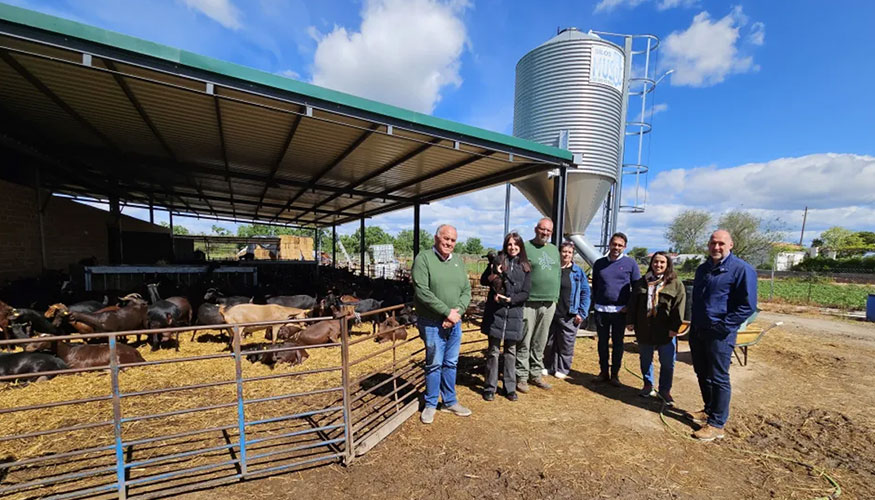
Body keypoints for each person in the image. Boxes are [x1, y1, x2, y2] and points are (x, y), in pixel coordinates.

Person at [689, 230, 757, 441]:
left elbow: (747, 306)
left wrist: (722, 326)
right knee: (702, 372)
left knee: (719, 377)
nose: (716, 247)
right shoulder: (703, 269)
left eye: (721, 243)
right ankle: (708, 410)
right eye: (712, 243)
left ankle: (717, 424)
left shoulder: (741, 270)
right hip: (699, 330)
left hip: (720, 334)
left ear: (731, 245)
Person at [412, 224, 473, 424]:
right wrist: (447, 312)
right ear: (436, 238)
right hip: (432, 322)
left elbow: (466, 290)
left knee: (451, 362)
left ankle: (449, 401)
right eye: (446, 238)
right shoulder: (424, 259)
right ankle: (430, 404)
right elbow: (422, 292)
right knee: (434, 363)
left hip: (455, 321)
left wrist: (457, 313)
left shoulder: (457, 261)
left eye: (453, 240)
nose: (449, 243)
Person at [626, 251, 685, 406]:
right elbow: (633, 304)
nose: (658, 265)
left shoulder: (675, 284)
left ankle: (665, 390)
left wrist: (675, 328)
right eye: (655, 262)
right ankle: (647, 385)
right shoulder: (641, 282)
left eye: (662, 263)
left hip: (666, 330)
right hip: (645, 327)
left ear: (667, 265)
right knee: (645, 359)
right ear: (651, 263)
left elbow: (679, 308)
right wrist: (630, 321)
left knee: (667, 362)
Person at [479, 232, 532, 401]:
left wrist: (512, 299)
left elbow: (526, 292)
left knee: (511, 351)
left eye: (516, 244)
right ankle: (490, 387)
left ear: (520, 247)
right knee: (493, 351)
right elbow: (483, 281)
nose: (512, 247)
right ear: (505, 246)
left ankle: (509, 387)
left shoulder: (525, 266)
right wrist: (494, 270)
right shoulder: (498, 261)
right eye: (509, 244)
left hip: (514, 313)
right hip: (496, 312)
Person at [516, 217, 561, 393]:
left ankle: (535, 373)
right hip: (530, 301)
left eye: (549, 231)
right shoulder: (526, 248)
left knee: (540, 341)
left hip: (549, 302)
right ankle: (521, 376)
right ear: (536, 229)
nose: (545, 233)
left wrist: (555, 296)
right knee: (525, 339)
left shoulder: (553, 250)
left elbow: (557, 273)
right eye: (543, 229)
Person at [591, 232, 641, 386]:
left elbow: (637, 288)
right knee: (602, 343)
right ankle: (603, 372)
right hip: (602, 310)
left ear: (624, 247)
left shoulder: (630, 264)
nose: (616, 247)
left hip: (620, 312)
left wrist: (629, 307)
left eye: (620, 245)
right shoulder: (599, 263)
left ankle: (615, 374)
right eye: (614, 244)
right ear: (609, 245)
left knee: (618, 343)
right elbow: (596, 285)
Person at [544, 241, 591, 380]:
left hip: (569, 313)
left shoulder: (577, 272)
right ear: (559, 253)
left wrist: (582, 313)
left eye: (569, 252)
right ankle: (548, 365)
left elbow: (585, 293)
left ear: (573, 255)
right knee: (549, 342)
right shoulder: (552, 269)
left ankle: (563, 368)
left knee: (566, 343)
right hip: (552, 311)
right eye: (564, 251)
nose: (566, 254)